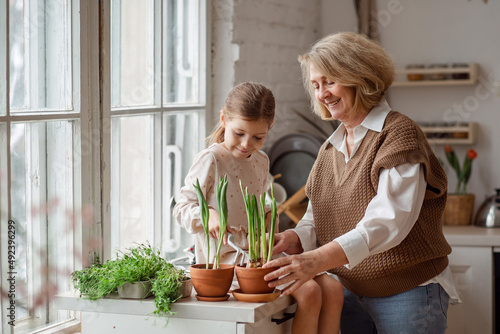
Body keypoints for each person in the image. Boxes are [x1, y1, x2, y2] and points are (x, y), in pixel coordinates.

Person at [263, 32, 460, 334]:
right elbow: (318, 218)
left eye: (329, 81)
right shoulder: (330, 148)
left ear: (359, 77)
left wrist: (314, 260)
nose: (322, 94)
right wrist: (295, 240)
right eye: (315, 85)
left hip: (408, 295)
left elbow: (387, 223)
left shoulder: (398, 135)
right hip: (350, 294)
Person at [174, 82, 343, 334]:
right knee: (310, 292)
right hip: (227, 261)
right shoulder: (212, 159)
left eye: (258, 137)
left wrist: (267, 230)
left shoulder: (262, 160)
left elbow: (262, 206)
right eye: (239, 133)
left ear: (268, 130)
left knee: (333, 288)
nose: (246, 144)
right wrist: (208, 214)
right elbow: (181, 207)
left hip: (259, 254)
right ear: (224, 119)